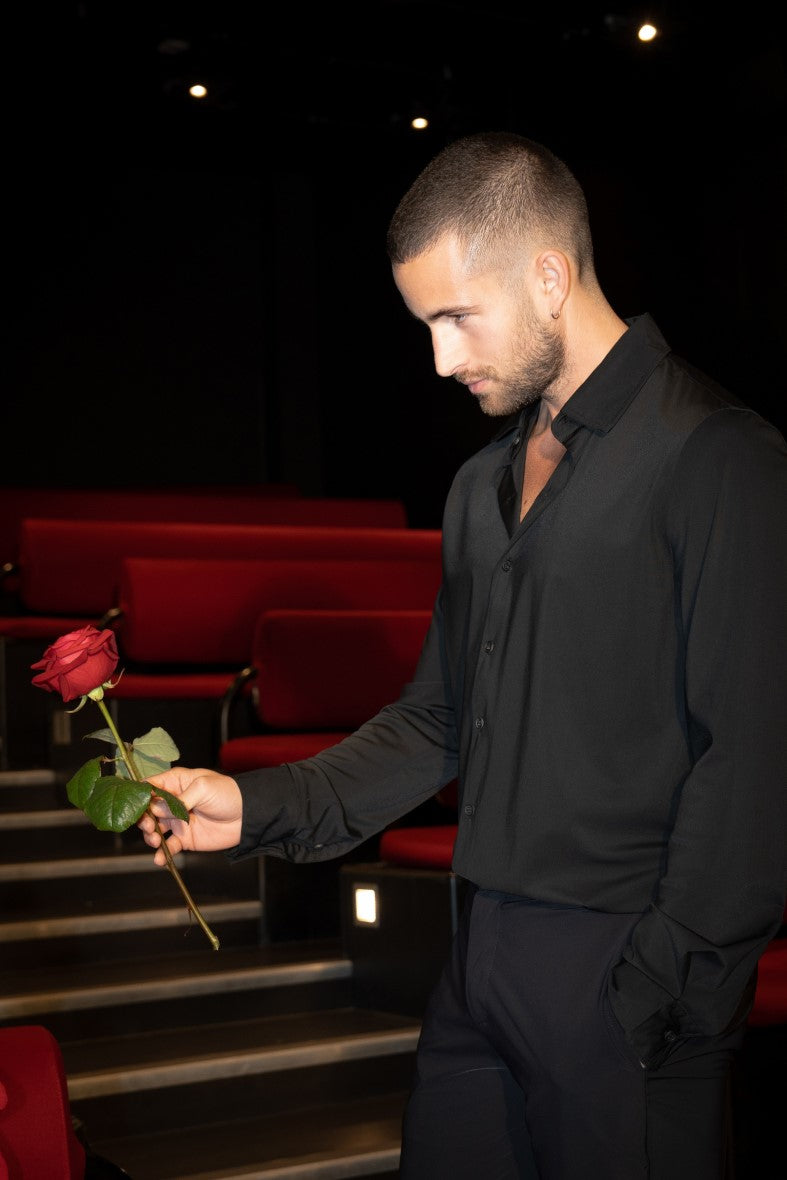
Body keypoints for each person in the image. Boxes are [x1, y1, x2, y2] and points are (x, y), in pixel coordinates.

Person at [139, 132, 787, 1179]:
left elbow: (755, 759)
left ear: (547, 274)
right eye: (425, 325)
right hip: (477, 958)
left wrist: (662, 987)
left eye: (454, 317)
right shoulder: (477, 487)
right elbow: (436, 719)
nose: (441, 360)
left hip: (623, 968)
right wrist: (255, 804)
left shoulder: (719, 456)